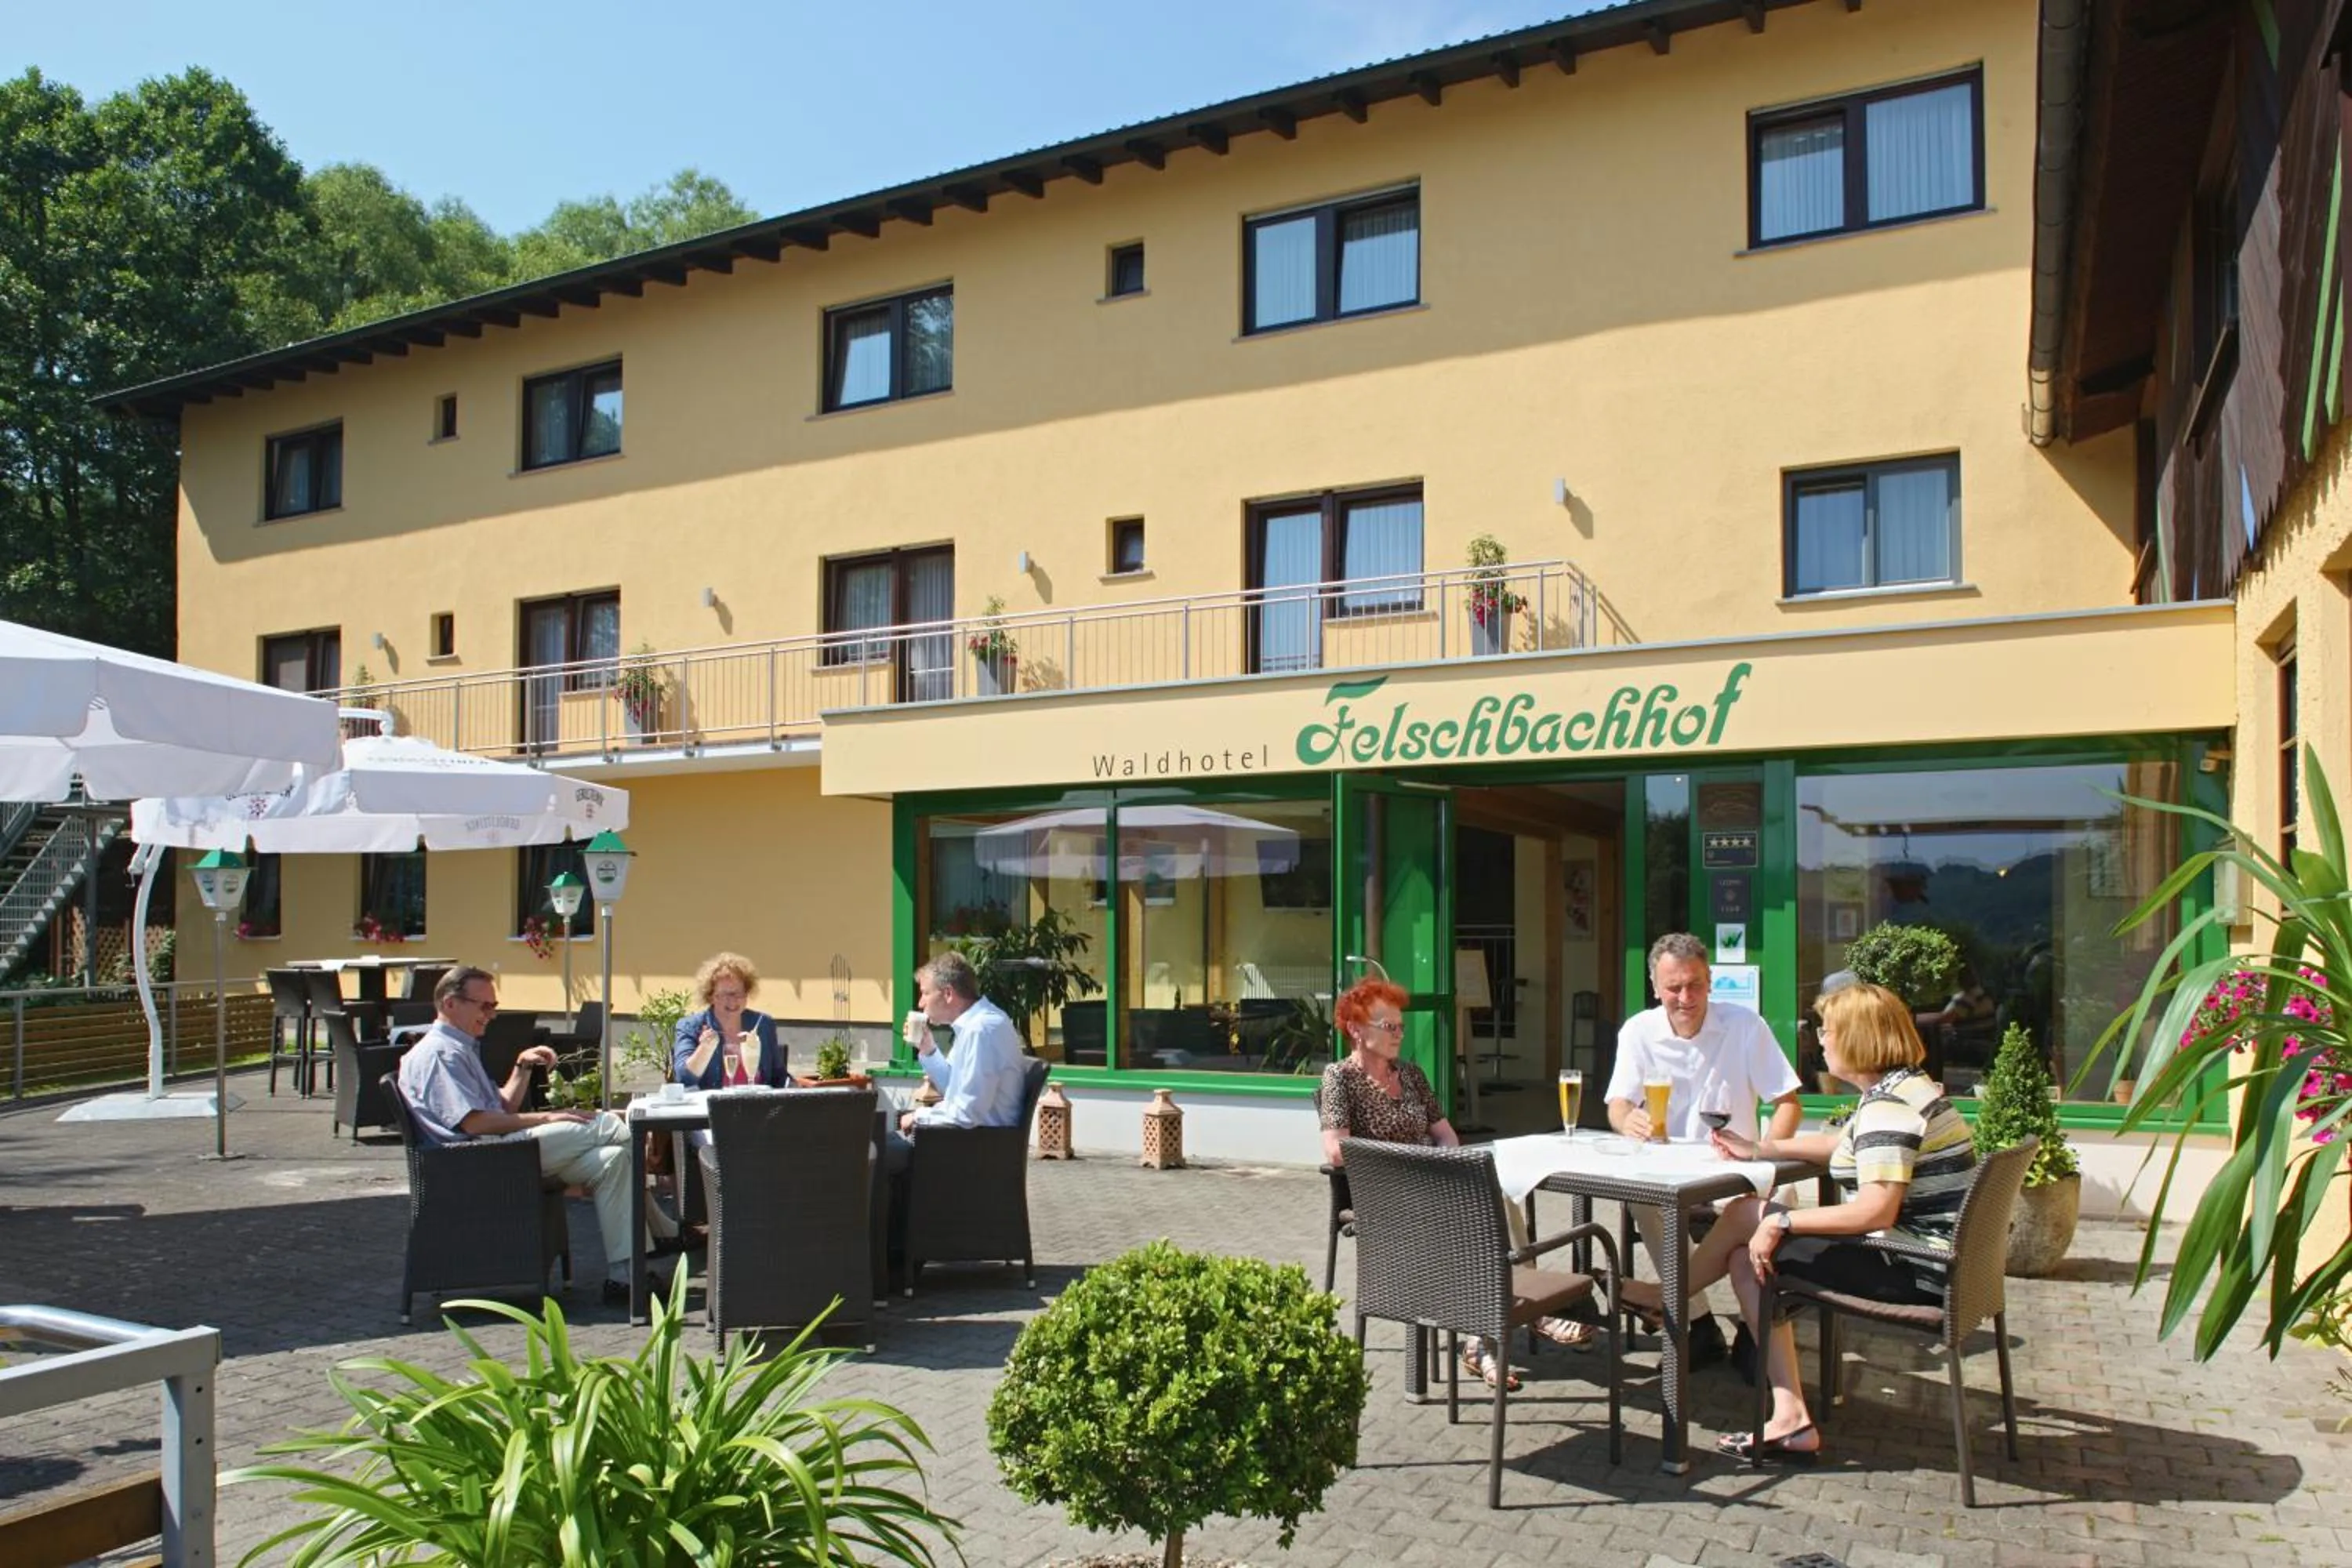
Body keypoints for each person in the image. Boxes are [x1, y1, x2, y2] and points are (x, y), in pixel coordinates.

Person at [1704, 981, 1978, 1462]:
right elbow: (1842, 1145)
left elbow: (1875, 1211)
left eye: (1827, 1031)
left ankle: (1668, 1302)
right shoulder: (1907, 1088)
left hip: (1915, 1269)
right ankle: (1787, 1413)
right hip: (1944, 1263)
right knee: (1746, 1241)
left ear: (1856, 1038)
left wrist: (1785, 1224)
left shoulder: (1890, 1107)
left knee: (1747, 1230)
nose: (1820, 1041)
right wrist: (1761, 1148)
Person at [1317, 976, 1592, 1389]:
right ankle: (1509, 1322)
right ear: (1356, 1029)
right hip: (1382, 1193)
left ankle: (1501, 1325)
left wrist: (1444, 1161)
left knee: (1497, 1191)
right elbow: (1336, 1150)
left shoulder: (1410, 1074)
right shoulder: (1339, 1078)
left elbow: (1445, 1133)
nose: (1398, 1034)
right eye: (1388, 1026)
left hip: (1431, 1182)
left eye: (1401, 1026)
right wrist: (1412, 1159)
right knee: (1476, 1212)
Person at [397, 966, 678, 1305]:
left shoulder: (459, 1047)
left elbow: (501, 1108)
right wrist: (547, 1117)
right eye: (484, 1006)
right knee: (609, 1126)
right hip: (480, 1163)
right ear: (450, 1003)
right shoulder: (441, 1054)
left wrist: (522, 1066)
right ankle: (666, 1232)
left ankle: (625, 1278)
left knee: (614, 1159)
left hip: (492, 1154)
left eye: (494, 1006)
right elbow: (476, 1124)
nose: (491, 1015)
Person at [1605, 932, 1802, 1365]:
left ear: (1710, 980)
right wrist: (1627, 1119)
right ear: (1655, 987)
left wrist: (1766, 1156)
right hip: (1668, 1173)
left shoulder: (1744, 1025)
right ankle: (1697, 1324)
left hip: (1735, 1173)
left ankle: (1756, 1329)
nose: (1685, 997)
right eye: (1673, 987)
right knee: (1644, 1201)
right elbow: (1618, 1103)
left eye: (1695, 984)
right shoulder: (1639, 1030)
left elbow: (1787, 1102)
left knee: (1784, 1196)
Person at [884, 950, 1028, 1174]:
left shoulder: (980, 1030)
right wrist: (928, 1049)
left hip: (979, 1149)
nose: (920, 1003)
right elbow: (954, 1087)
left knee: (878, 1155)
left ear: (948, 994)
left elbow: (966, 1114)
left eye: (925, 993)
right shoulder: (976, 1024)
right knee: (883, 1148)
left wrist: (918, 1116)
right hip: (977, 1140)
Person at [671, 951, 790, 1090]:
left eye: (738, 993)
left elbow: (778, 1077)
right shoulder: (691, 1026)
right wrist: (705, 1049)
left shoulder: (763, 1024)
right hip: (711, 1103)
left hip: (757, 1102)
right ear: (711, 996)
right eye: (724, 995)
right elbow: (684, 1078)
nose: (733, 1001)